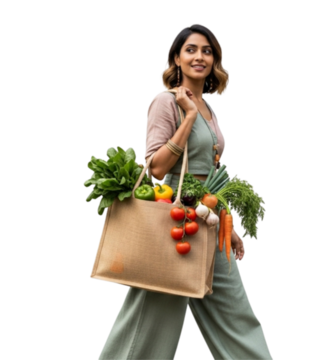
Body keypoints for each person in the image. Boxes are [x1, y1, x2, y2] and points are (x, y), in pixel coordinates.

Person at [96, 23, 274, 359]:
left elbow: (211, 176)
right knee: (152, 316)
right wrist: (188, 116)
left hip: (208, 221)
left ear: (215, 61)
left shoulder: (211, 108)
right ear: (176, 58)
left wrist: (229, 225)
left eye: (207, 51)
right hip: (175, 222)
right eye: (190, 49)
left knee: (237, 313)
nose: (200, 56)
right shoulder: (165, 102)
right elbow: (156, 168)